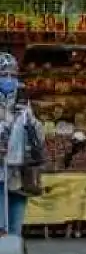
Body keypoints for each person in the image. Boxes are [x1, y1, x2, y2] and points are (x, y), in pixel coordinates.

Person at [0, 53, 44, 236]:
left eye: (12, 75)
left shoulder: (23, 102)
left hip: (19, 172)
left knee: (15, 231)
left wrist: (30, 126)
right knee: (1, 229)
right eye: (4, 75)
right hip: (1, 173)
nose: (8, 80)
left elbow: (38, 133)